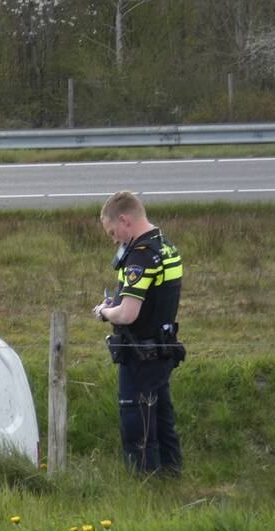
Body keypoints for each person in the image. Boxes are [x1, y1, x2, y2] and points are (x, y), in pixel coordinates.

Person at [93, 191, 185, 477]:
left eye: (113, 232)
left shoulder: (140, 256)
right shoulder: (166, 247)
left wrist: (104, 312)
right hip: (161, 348)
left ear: (125, 220)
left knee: (138, 424)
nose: (115, 239)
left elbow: (129, 314)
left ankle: (146, 484)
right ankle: (171, 476)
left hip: (140, 354)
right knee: (161, 418)